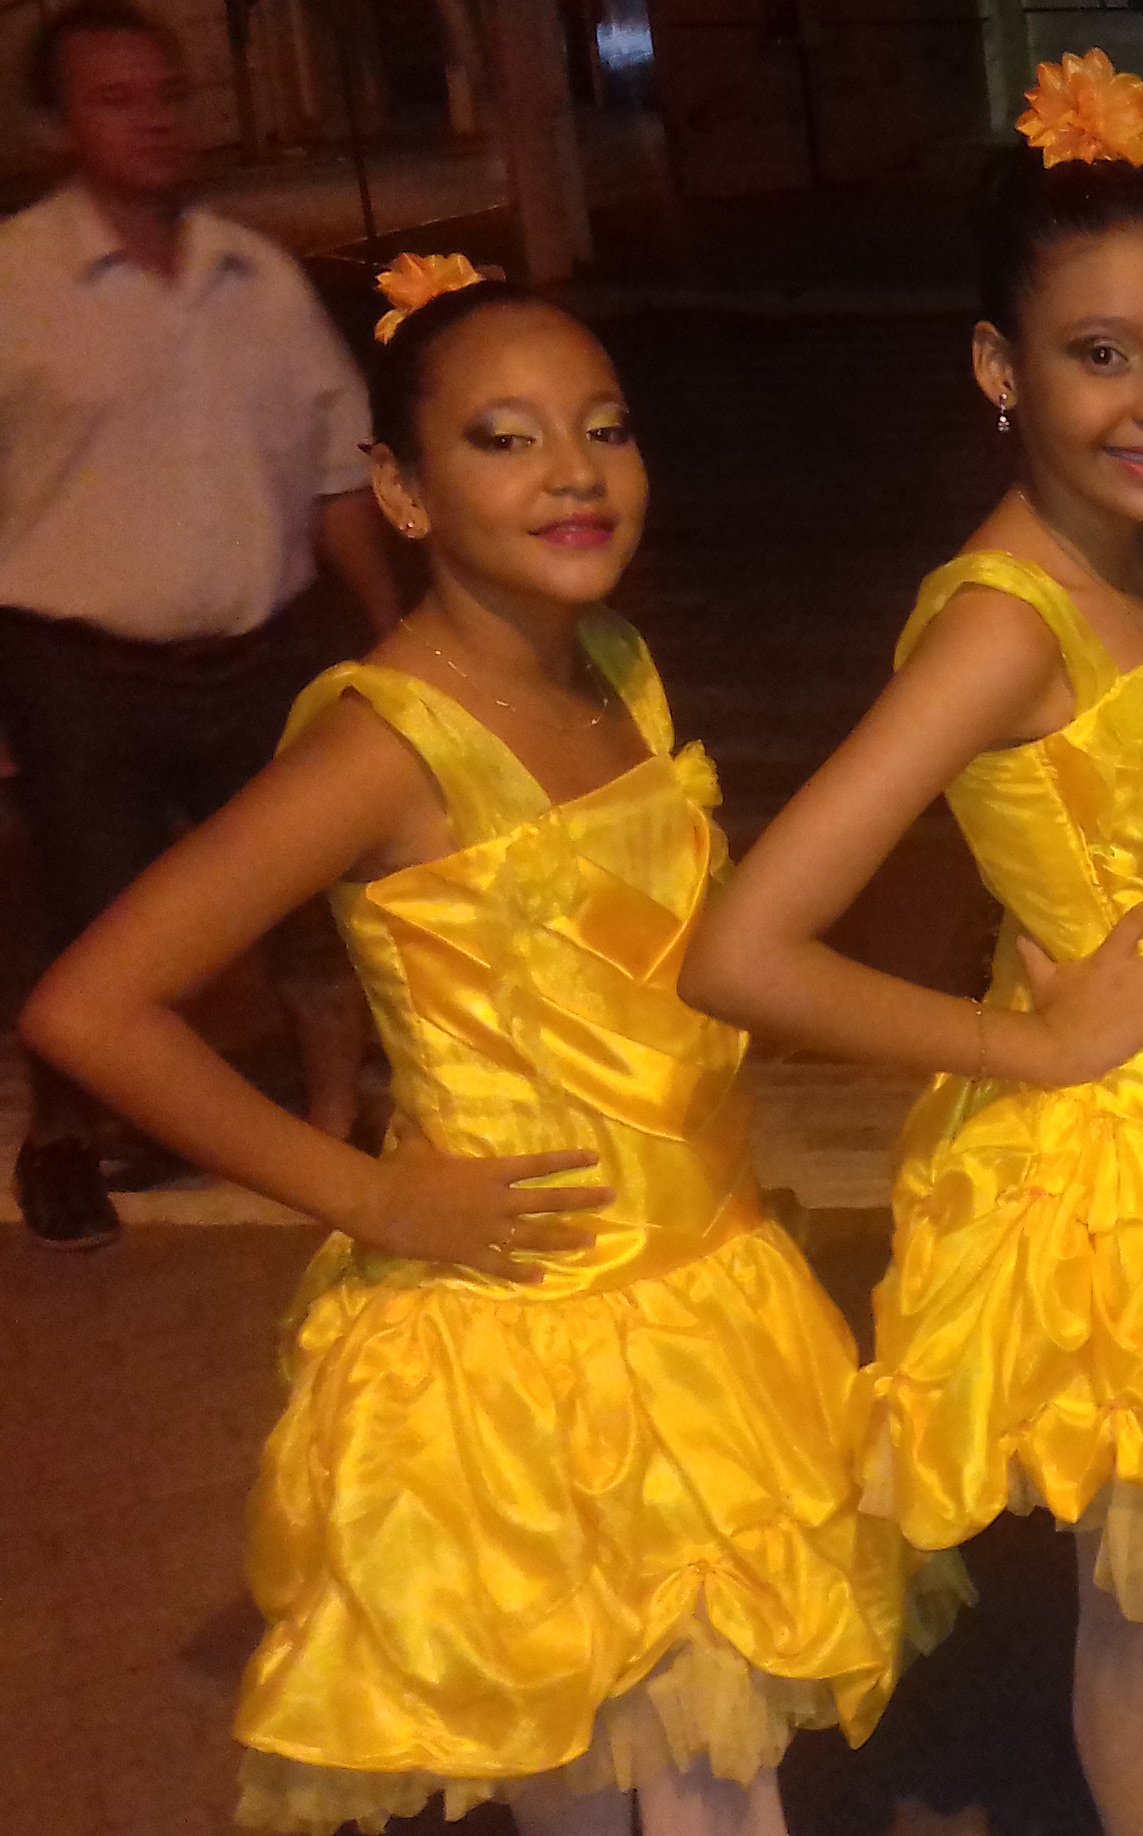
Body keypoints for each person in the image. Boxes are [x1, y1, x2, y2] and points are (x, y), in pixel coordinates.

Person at [17, 255, 932, 1836]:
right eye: (506, 440)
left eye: (604, 428)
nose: (575, 473)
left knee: (714, 1765)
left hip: (698, 1299)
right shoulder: (385, 746)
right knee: (592, 1759)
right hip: (519, 1339)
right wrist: (373, 1196)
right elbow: (89, 1007)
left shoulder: (616, 668)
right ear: (401, 490)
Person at [675, 53, 1143, 1836]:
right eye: (1101, 354)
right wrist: (1035, 1044)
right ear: (1000, 369)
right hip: (1124, 1172)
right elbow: (746, 948)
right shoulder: (1002, 625)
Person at [0, 0, 399, 1248]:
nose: (155, 121)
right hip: (79, 670)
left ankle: (336, 1117)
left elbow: (336, 476)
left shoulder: (258, 280)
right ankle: (65, 1136)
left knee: (304, 898)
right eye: (116, 100)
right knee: (97, 921)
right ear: (58, 129)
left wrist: (395, 638)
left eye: (167, 95)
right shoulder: (16, 284)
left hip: (258, 656)